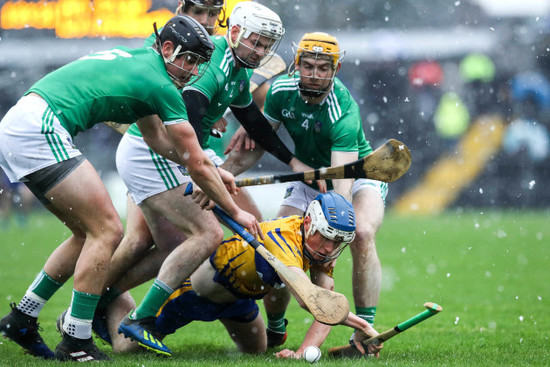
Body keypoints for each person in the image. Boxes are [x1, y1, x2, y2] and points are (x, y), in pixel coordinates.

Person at [0, 15, 261, 362]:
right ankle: (76, 339)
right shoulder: (161, 84)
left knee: (86, 233)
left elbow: (157, 139)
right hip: (40, 129)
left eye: (199, 64)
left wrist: (210, 167)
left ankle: (22, 317)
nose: (193, 71)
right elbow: (193, 160)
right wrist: (235, 209)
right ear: (167, 48)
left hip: (25, 123)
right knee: (107, 230)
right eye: (188, 60)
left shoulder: (145, 63)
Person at [115, 1, 312, 357]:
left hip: (188, 153)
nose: (262, 51)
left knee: (174, 247)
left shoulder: (235, 68)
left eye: (268, 45)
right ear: (234, 32)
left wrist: (294, 161)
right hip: (158, 152)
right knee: (204, 235)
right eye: (257, 41)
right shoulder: (213, 64)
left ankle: (99, 304)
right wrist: (208, 174)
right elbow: (185, 124)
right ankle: (121, 312)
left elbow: (253, 123)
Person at [64, 192, 383, 358]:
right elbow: (311, 301)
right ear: (309, 223)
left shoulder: (323, 249)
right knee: (125, 349)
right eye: (326, 237)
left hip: (240, 301)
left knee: (256, 351)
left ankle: (271, 328)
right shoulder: (284, 237)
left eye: (338, 242)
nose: (329, 248)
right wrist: (363, 325)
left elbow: (326, 296)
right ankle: (107, 300)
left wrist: (303, 352)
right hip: (193, 294)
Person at [224, 32, 388, 347]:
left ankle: (364, 332)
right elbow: (260, 141)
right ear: (297, 64)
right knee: (279, 247)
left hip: (355, 177)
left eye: (323, 68)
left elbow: (341, 187)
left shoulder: (343, 113)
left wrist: (332, 243)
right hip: (310, 178)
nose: (314, 75)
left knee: (363, 233)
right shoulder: (280, 93)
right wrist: (221, 174)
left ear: (335, 70)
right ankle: (275, 326)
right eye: (308, 66)